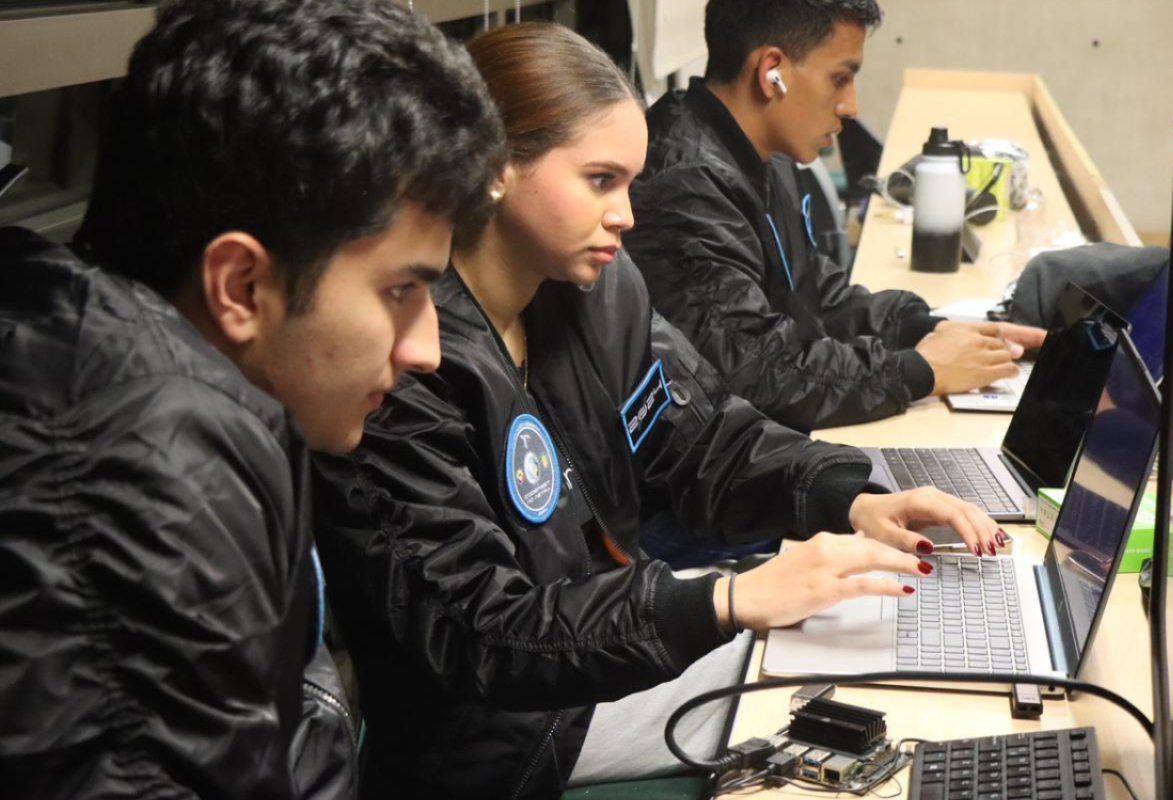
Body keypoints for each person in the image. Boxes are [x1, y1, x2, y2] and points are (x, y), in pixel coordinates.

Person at [311, 22, 1005, 799]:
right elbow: (484, 635)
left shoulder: (598, 288)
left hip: (604, 649)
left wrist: (853, 497)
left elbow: (706, 437)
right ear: (495, 169)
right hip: (513, 732)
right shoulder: (402, 361)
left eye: (628, 184)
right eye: (600, 180)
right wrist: (728, 598)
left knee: (859, 631)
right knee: (858, 682)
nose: (626, 215)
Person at [0, 1, 504, 798]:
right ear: (241, 286)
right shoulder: (146, 477)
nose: (426, 350)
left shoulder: (149, 389)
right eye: (401, 289)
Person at [626, 0, 1046, 434]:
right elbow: (754, 371)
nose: (851, 106)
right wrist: (918, 371)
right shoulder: (685, 184)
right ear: (773, 71)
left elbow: (816, 297)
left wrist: (934, 331)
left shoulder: (762, 151)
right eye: (840, 78)